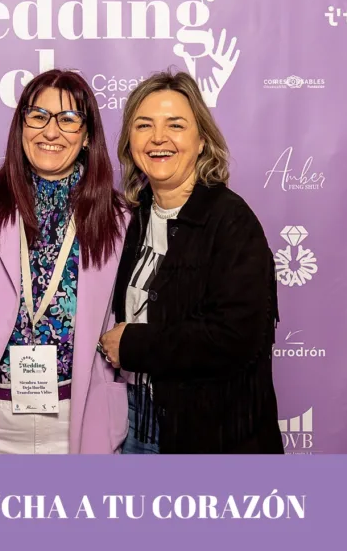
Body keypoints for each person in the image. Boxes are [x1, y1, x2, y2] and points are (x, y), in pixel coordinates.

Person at [98, 70, 283, 454]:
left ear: (201, 141)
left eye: (175, 125)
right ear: (130, 142)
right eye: (143, 125)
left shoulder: (231, 221)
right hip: (137, 423)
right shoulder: (136, 216)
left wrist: (135, 344)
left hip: (211, 436)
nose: (158, 138)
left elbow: (236, 339)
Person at [0, 69, 129, 454]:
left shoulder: (118, 216)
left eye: (68, 119)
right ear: (21, 126)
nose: (50, 132)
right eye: (38, 116)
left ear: (87, 136)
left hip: (80, 416)